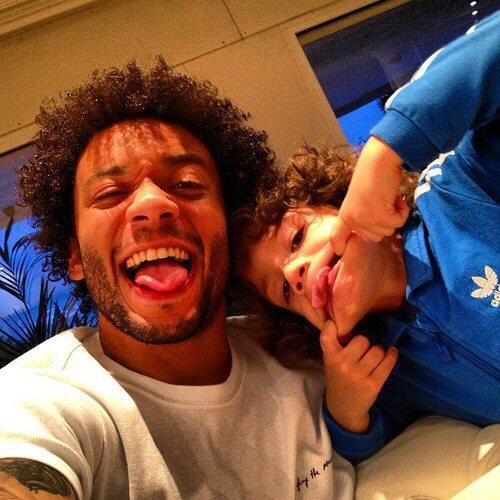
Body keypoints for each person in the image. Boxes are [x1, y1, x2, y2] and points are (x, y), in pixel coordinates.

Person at [0, 59, 355, 499]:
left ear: (228, 227)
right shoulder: (41, 403)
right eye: (111, 193)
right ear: (74, 256)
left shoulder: (301, 346)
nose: (152, 203)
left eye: (187, 184)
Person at [231, 11, 499, 468]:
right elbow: (360, 447)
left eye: (296, 239)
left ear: (341, 201)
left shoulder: (459, 189)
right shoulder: (390, 368)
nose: (294, 274)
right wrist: (345, 407)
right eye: (283, 291)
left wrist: (386, 150)